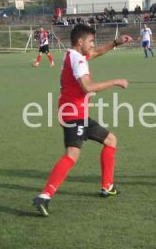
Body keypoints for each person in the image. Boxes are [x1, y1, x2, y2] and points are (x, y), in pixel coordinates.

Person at [32, 25, 133, 217]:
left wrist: (116, 42)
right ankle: (44, 195)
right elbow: (88, 87)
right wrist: (115, 82)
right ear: (80, 42)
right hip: (73, 114)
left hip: (76, 113)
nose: (93, 44)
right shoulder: (78, 60)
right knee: (71, 155)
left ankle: (107, 186)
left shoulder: (73, 54)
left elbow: (96, 52)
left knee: (111, 140)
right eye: (91, 41)